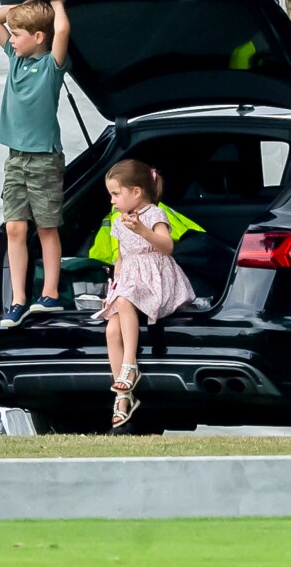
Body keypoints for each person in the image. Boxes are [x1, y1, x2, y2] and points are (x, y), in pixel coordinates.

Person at [0, 0, 71, 327]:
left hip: (44, 159)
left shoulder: (51, 66)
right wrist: (22, 6)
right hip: (16, 158)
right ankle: (18, 298)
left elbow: (61, 29)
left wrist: (57, 3)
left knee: (47, 227)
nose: (12, 37)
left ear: (38, 37)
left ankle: (49, 293)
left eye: (18, 33)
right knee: (14, 227)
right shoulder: (14, 58)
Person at [101, 160, 195, 428]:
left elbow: (166, 247)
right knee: (111, 329)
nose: (112, 200)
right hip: (131, 282)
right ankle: (122, 397)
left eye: (116, 194)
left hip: (157, 281)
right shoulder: (118, 222)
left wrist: (142, 230)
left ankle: (130, 366)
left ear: (137, 192)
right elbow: (121, 257)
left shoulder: (154, 214)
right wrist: (115, 284)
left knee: (125, 300)